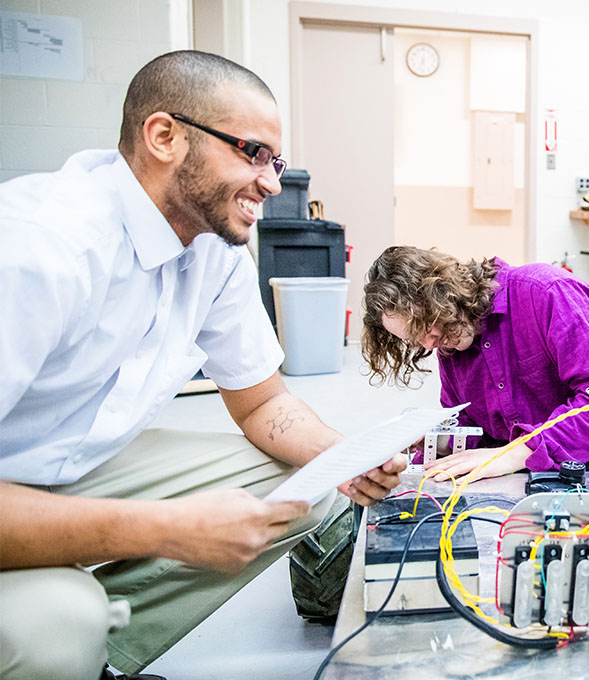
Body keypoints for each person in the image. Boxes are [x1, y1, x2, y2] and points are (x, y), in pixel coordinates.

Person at [0, 51, 410, 680]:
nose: (273, 183)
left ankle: (98, 660)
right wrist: (163, 529)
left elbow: (264, 404)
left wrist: (346, 455)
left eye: (275, 162)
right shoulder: (37, 247)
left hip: (65, 462)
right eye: (253, 153)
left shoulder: (212, 253)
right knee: (61, 620)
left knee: (306, 486)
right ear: (164, 136)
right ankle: (67, 645)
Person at [361, 246, 589, 481]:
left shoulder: (546, 292)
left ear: (443, 295)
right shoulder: (451, 339)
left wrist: (516, 453)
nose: (428, 345)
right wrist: (438, 440)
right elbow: (470, 422)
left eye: (425, 327)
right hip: (517, 462)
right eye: (415, 339)